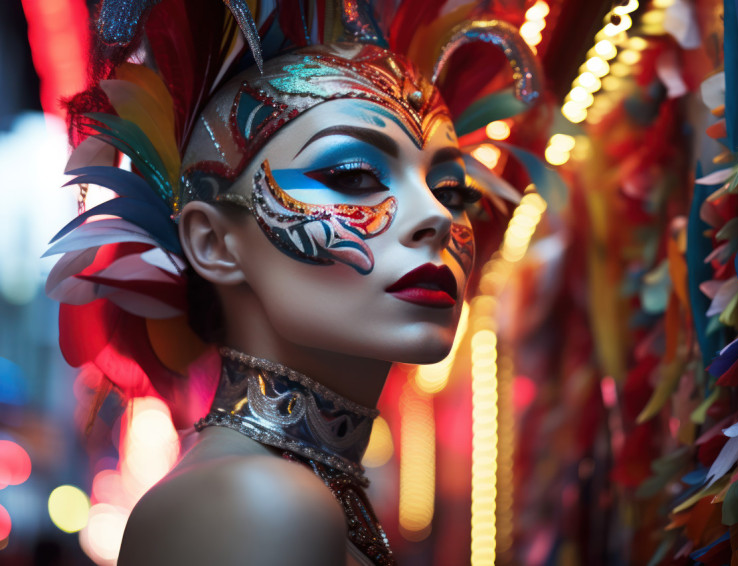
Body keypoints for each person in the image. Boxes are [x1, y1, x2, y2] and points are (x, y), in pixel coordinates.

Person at [46, 1, 540, 564]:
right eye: (352, 176)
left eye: (452, 190)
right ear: (214, 243)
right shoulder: (259, 500)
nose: (436, 217)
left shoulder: (292, 488)